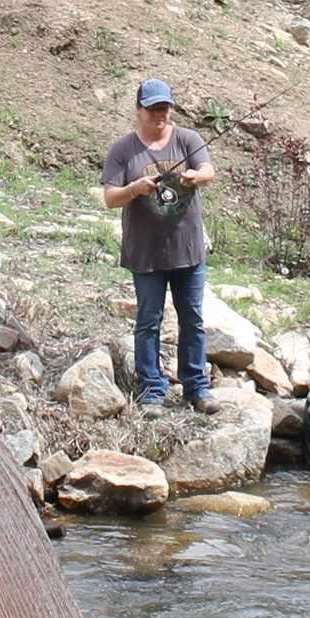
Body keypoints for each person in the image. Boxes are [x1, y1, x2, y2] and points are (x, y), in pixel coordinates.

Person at [99, 78, 218, 413]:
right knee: (148, 320)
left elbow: (209, 169)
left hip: (188, 249)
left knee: (192, 318)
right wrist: (134, 188)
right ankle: (151, 389)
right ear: (139, 110)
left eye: (164, 108)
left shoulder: (187, 139)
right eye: (152, 109)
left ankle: (196, 388)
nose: (158, 115)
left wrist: (197, 177)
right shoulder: (123, 150)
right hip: (146, 252)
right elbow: (109, 198)